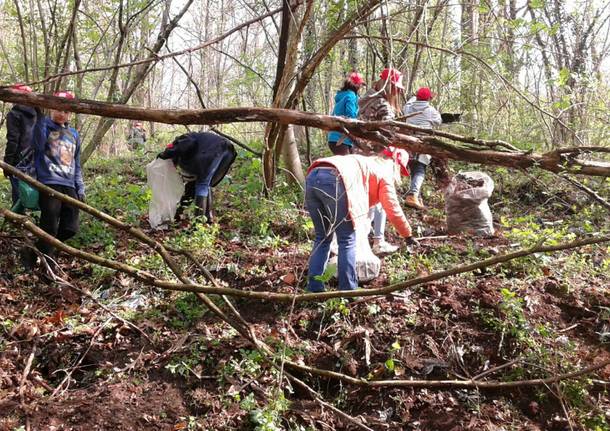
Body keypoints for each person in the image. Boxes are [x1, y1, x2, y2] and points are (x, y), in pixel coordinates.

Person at [304, 154, 417, 293]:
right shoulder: (384, 173)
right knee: (347, 239)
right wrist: (408, 235)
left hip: (313, 174)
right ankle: (348, 291)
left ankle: (314, 289)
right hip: (336, 179)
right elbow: (393, 209)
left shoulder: (367, 163)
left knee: (322, 238)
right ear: (396, 164)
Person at [21, 90, 85, 268]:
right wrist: (40, 119)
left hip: (69, 184)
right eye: (57, 109)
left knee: (70, 227)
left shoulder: (74, 134)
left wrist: (80, 186)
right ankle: (48, 265)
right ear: (50, 108)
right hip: (49, 181)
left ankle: (34, 250)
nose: (61, 113)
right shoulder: (43, 126)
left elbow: (76, 162)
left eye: (65, 111)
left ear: (70, 113)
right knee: (49, 226)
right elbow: (38, 145)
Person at [358, 67, 405, 254]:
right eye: (395, 87)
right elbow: (391, 132)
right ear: (389, 86)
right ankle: (377, 241)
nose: (398, 92)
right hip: (376, 157)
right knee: (379, 199)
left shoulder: (365, 99)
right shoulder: (384, 105)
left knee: (364, 199)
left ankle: (363, 240)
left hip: (359, 154)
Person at [157, 132, 236, 223]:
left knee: (202, 183)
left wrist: (165, 154)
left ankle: (198, 223)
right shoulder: (194, 153)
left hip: (214, 150)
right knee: (205, 183)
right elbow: (191, 188)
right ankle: (208, 219)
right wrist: (179, 211)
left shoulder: (180, 141)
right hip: (228, 150)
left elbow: (188, 142)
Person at [403, 87, 442, 210]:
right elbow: (438, 121)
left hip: (408, 143)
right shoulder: (430, 110)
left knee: (414, 169)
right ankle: (412, 195)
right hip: (422, 144)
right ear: (428, 98)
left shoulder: (408, 108)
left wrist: (414, 98)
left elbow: (407, 104)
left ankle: (415, 197)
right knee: (419, 170)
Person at [3, 84, 38, 207]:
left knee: (18, 196)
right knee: (29, 193)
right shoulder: (36, 113)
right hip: (34, 161)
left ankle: (17, 222)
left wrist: (7, 164)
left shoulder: (14, 114)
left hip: (19, 162)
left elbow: (13, 140)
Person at [327, 72, 365, 155]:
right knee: (348, 166)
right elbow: (351, 116)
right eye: (360, 84)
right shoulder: (351, 96)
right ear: (355, 84)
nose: (361, 87)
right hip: (340, 139)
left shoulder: (343, 95)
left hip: (336, 138)